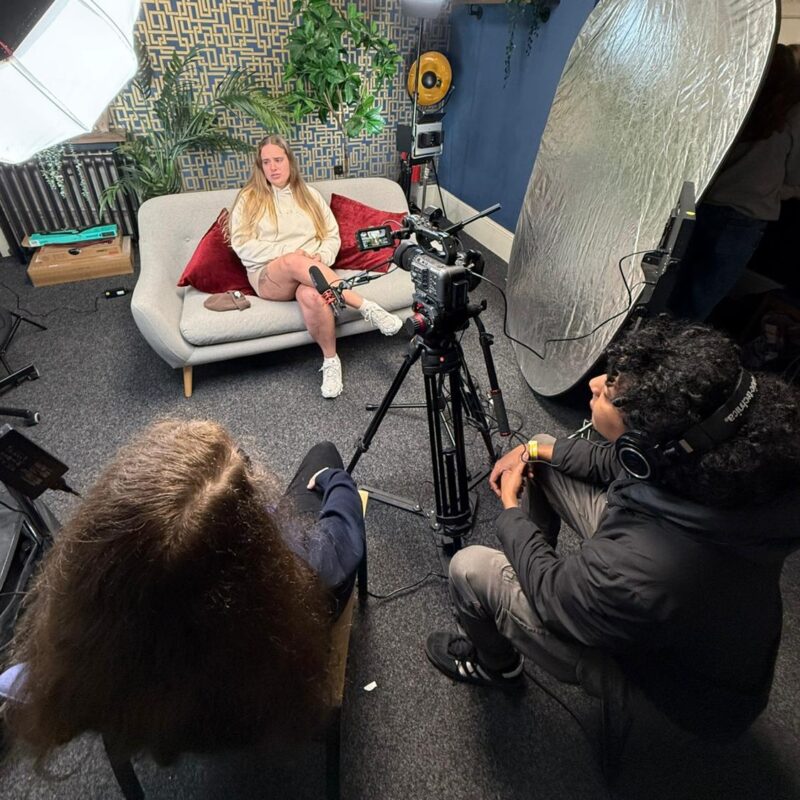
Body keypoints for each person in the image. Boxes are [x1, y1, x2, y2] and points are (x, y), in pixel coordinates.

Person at [425, 317, 800, 742]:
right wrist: (534, 448)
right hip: (681, 611)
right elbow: (615, 464)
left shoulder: (636, 571)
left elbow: (552, 594)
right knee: (548, 452)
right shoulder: (716, 457)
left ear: (645, 447)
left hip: (679, 702)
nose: (595, 384)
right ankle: (531, 551)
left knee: (470, 567)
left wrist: (510, 509)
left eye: (609, 392)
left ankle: (498, 666)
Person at [0, 419, 365, 764]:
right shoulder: (309, 570)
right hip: (256, 699)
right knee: (323, 451)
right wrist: (334, 480)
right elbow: (344, 537)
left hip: (175, 717)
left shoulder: (81, 653)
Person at [229, 134, 402, 399]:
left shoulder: (308, 195)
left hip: (310, 271)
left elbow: (331, 235)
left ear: (290, 161)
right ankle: (366, 306)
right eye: (266, 162)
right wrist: (292, 255)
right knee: (292, 261)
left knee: (311, 295)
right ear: (259, 166)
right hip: (268, 276)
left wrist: (319, 256)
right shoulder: (249, 198)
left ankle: (331, 361)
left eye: (278, 160)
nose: (273, 167)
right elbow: (243, 246)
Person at [669, 43, 800, 320]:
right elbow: (794, 176)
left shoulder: (732, 97)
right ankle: (664, 359)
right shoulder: (792, 115)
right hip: (744, 217)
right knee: (696, 304)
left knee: (666, 286)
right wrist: (778, 189)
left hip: (699, 201)